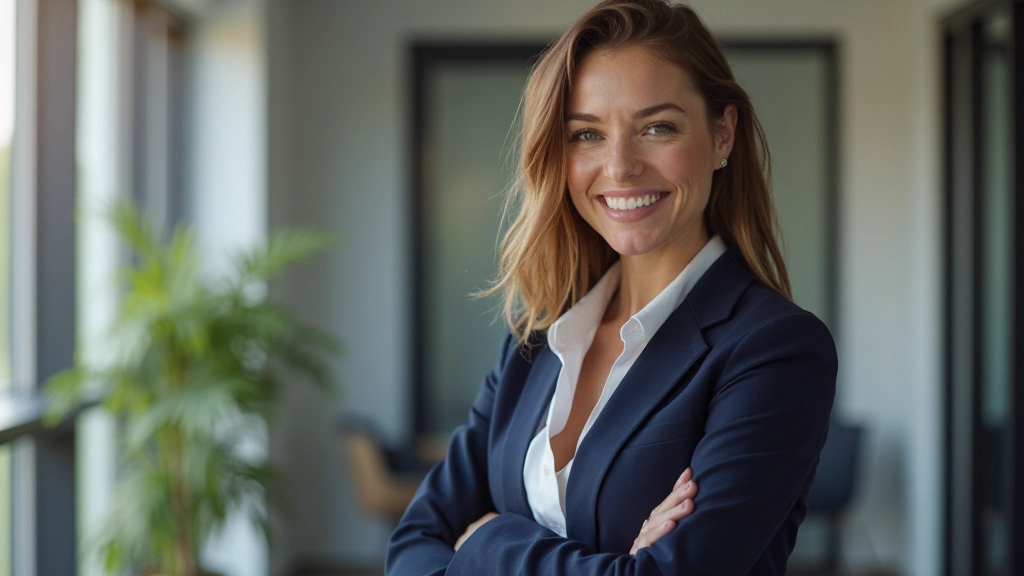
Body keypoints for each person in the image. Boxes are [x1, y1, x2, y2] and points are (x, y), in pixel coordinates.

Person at [386, 0, 837, 574]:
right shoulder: (535, 338)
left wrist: (486, 541)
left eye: (658, 127)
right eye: (587, 134)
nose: (619, 166)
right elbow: (411, 547)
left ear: (723, 134)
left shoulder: (773, 349)